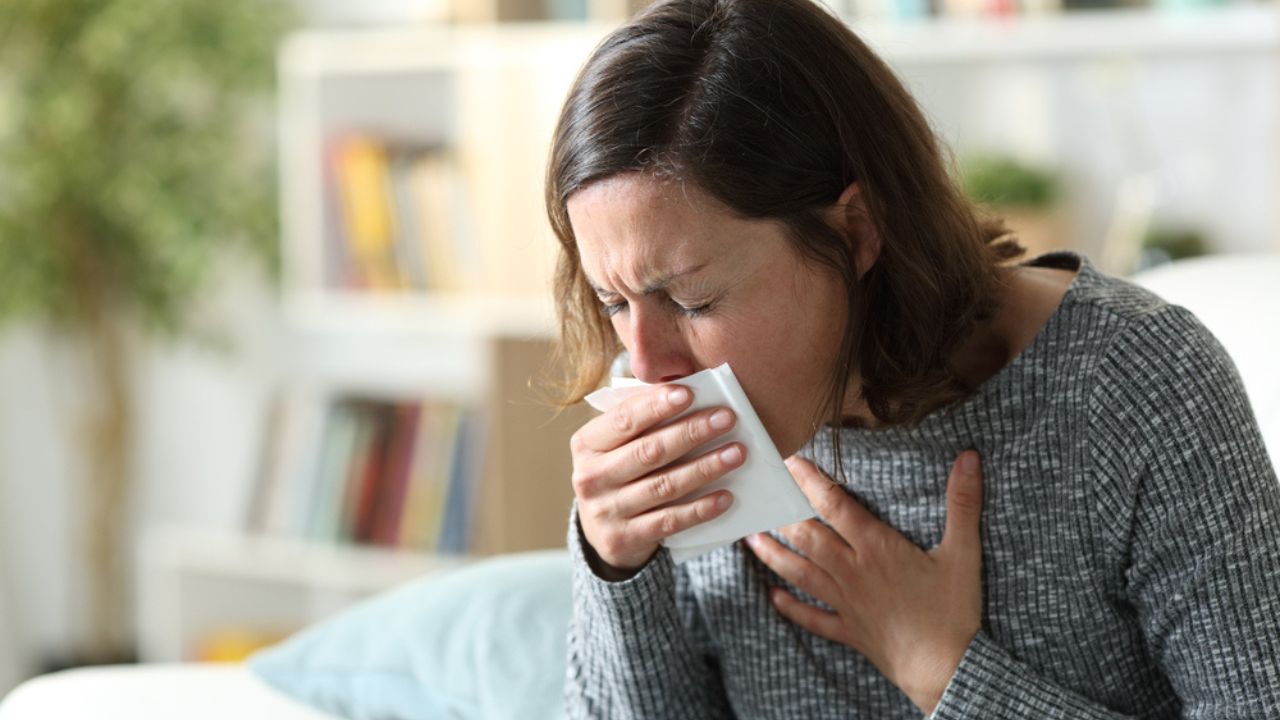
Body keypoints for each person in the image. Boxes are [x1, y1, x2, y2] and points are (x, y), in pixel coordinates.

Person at [542, 0, 1280, 717]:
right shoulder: (666, 414)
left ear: (859, 230)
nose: (645, 366)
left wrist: (943, 671)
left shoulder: (1134, 384)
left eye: (694, 300)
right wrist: (616, 568)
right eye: (613, 303)